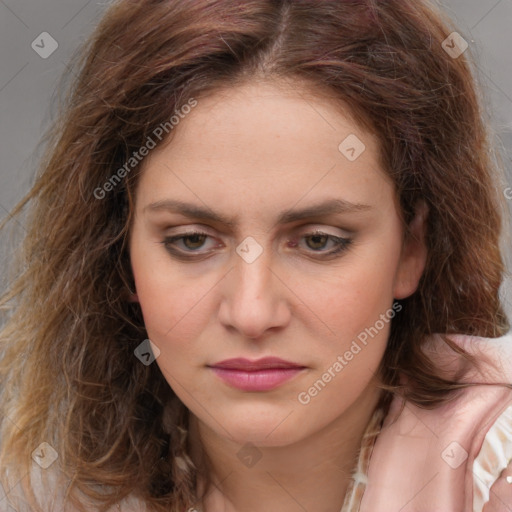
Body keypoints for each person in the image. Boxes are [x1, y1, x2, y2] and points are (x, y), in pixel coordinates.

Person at [0, 1, 511, 511]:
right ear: (119, 253)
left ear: (411, 248)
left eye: (318, 241)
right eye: (192, 241)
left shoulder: (493, 467)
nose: (251, 313)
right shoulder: (46, 488)